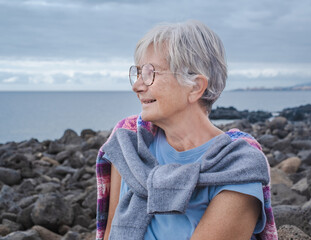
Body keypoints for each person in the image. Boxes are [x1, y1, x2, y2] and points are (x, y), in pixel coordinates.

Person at [96, 20, 277, 240]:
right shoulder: (129, 142)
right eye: (138, 73)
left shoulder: (238, 167)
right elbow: (109, 235)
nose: (137, 86)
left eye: (151, 73)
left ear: (195, 87)